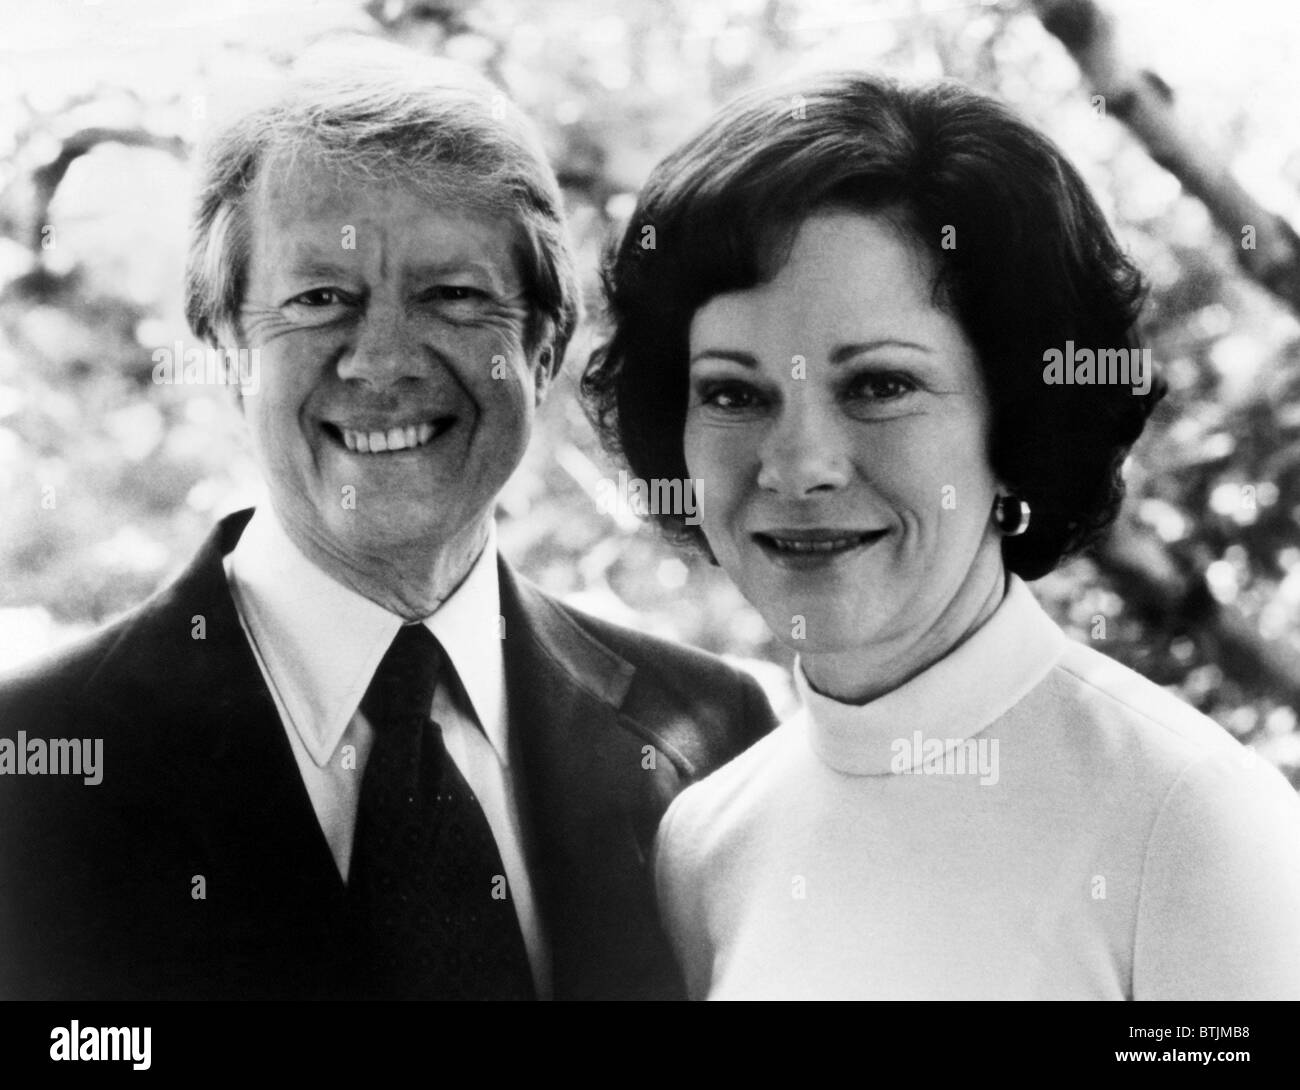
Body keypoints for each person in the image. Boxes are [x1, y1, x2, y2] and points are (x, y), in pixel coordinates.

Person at [0, 38, 775, 1001]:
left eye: (452, 296)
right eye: (320, 299)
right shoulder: (29, 766)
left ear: (541, 347)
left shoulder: (714, 741)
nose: (382, 361)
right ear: (223, 346)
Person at [582, 72, 1300, 999]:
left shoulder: (1190, 824)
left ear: (1015, 421)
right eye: (732, 393)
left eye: (879, 385)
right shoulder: (707, 845)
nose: (798, 465)